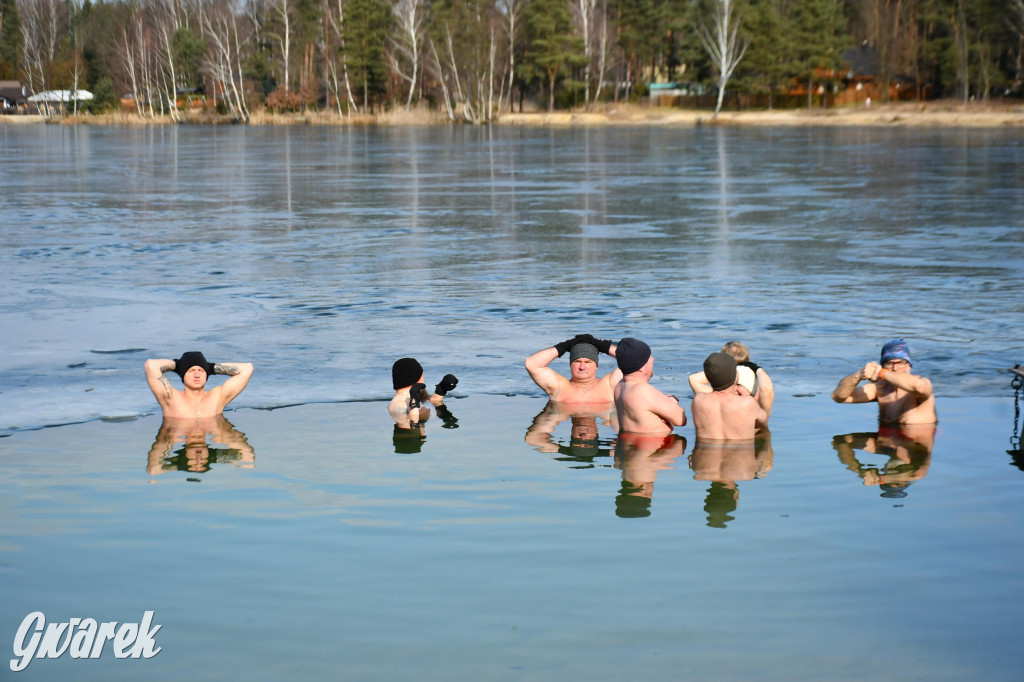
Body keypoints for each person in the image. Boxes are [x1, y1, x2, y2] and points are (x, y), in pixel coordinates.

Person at [831, 339, 936, 425]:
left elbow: (918, 386)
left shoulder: (923, 383)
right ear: (883, 365)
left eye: (900, 362)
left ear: (909, 365)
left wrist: (882, 373)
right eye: (890, 363)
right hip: (887, 441)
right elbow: (838, 397)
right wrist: (858, 375)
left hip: (919, 440)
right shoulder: (879, 389)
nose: (895, 368)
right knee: (848, 440)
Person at [145, 351, 254, 419]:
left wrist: (210, 367)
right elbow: (151, 365)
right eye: (191, 371)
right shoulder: (171, 399)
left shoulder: (217, 398)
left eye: (201, 371)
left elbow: (247, 369)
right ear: (183, 374)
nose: (197, 375)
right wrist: (179, 365)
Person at [612, 337, 687, 434]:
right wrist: (673, 400)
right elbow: (681, 420)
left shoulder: (620, 386)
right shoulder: (643, 391)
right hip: (656, 446)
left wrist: (666, 400)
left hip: (632, 443)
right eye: (648, 357)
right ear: (640, 367)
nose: (652, 359)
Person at [690, 352, 767, 441]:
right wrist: (756, 402)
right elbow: (763, 422)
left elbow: (695, 379)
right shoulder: (748, 403)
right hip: (739, 454)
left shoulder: (698, 400)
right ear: (734, 375)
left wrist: (715, 371)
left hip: (704, 454)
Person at [689, 341, 775, 419]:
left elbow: (694, 379)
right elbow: (767, 389)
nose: (738, 389)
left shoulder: (717, 399)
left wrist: (721, 368)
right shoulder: (755, 402)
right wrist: (758, 369)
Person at [525, 334, 621, 404]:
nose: (582, 367)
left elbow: (634, 361)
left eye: (588, 362)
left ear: (596, 365)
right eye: (577, 361)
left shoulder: (609, 386)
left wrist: (602, 345)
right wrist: (565, 346)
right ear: (570, 364)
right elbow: (532, 363)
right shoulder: (559, 388)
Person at [388, 357, 459, 427]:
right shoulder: (400, 405)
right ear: (418, 379)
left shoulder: (405, 399)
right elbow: (412, 422)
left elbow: (427, 405)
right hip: (414, 434)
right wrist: (414, 404)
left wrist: (440, 391)